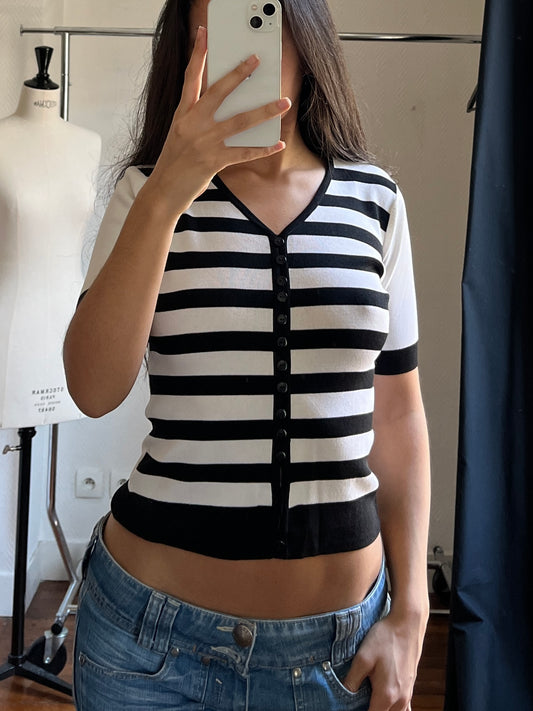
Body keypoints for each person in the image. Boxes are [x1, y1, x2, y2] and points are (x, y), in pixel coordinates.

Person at [63, 1, 431, 709]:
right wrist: (168, 192)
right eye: (214, 26)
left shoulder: (375, 202)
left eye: (258, 14)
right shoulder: (146, 195)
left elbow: (398, 416)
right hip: (149, 646)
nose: (244, 52)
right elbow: (92, 387)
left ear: (304, 31)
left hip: (337, 655)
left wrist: (412, 607)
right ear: (186, 51)